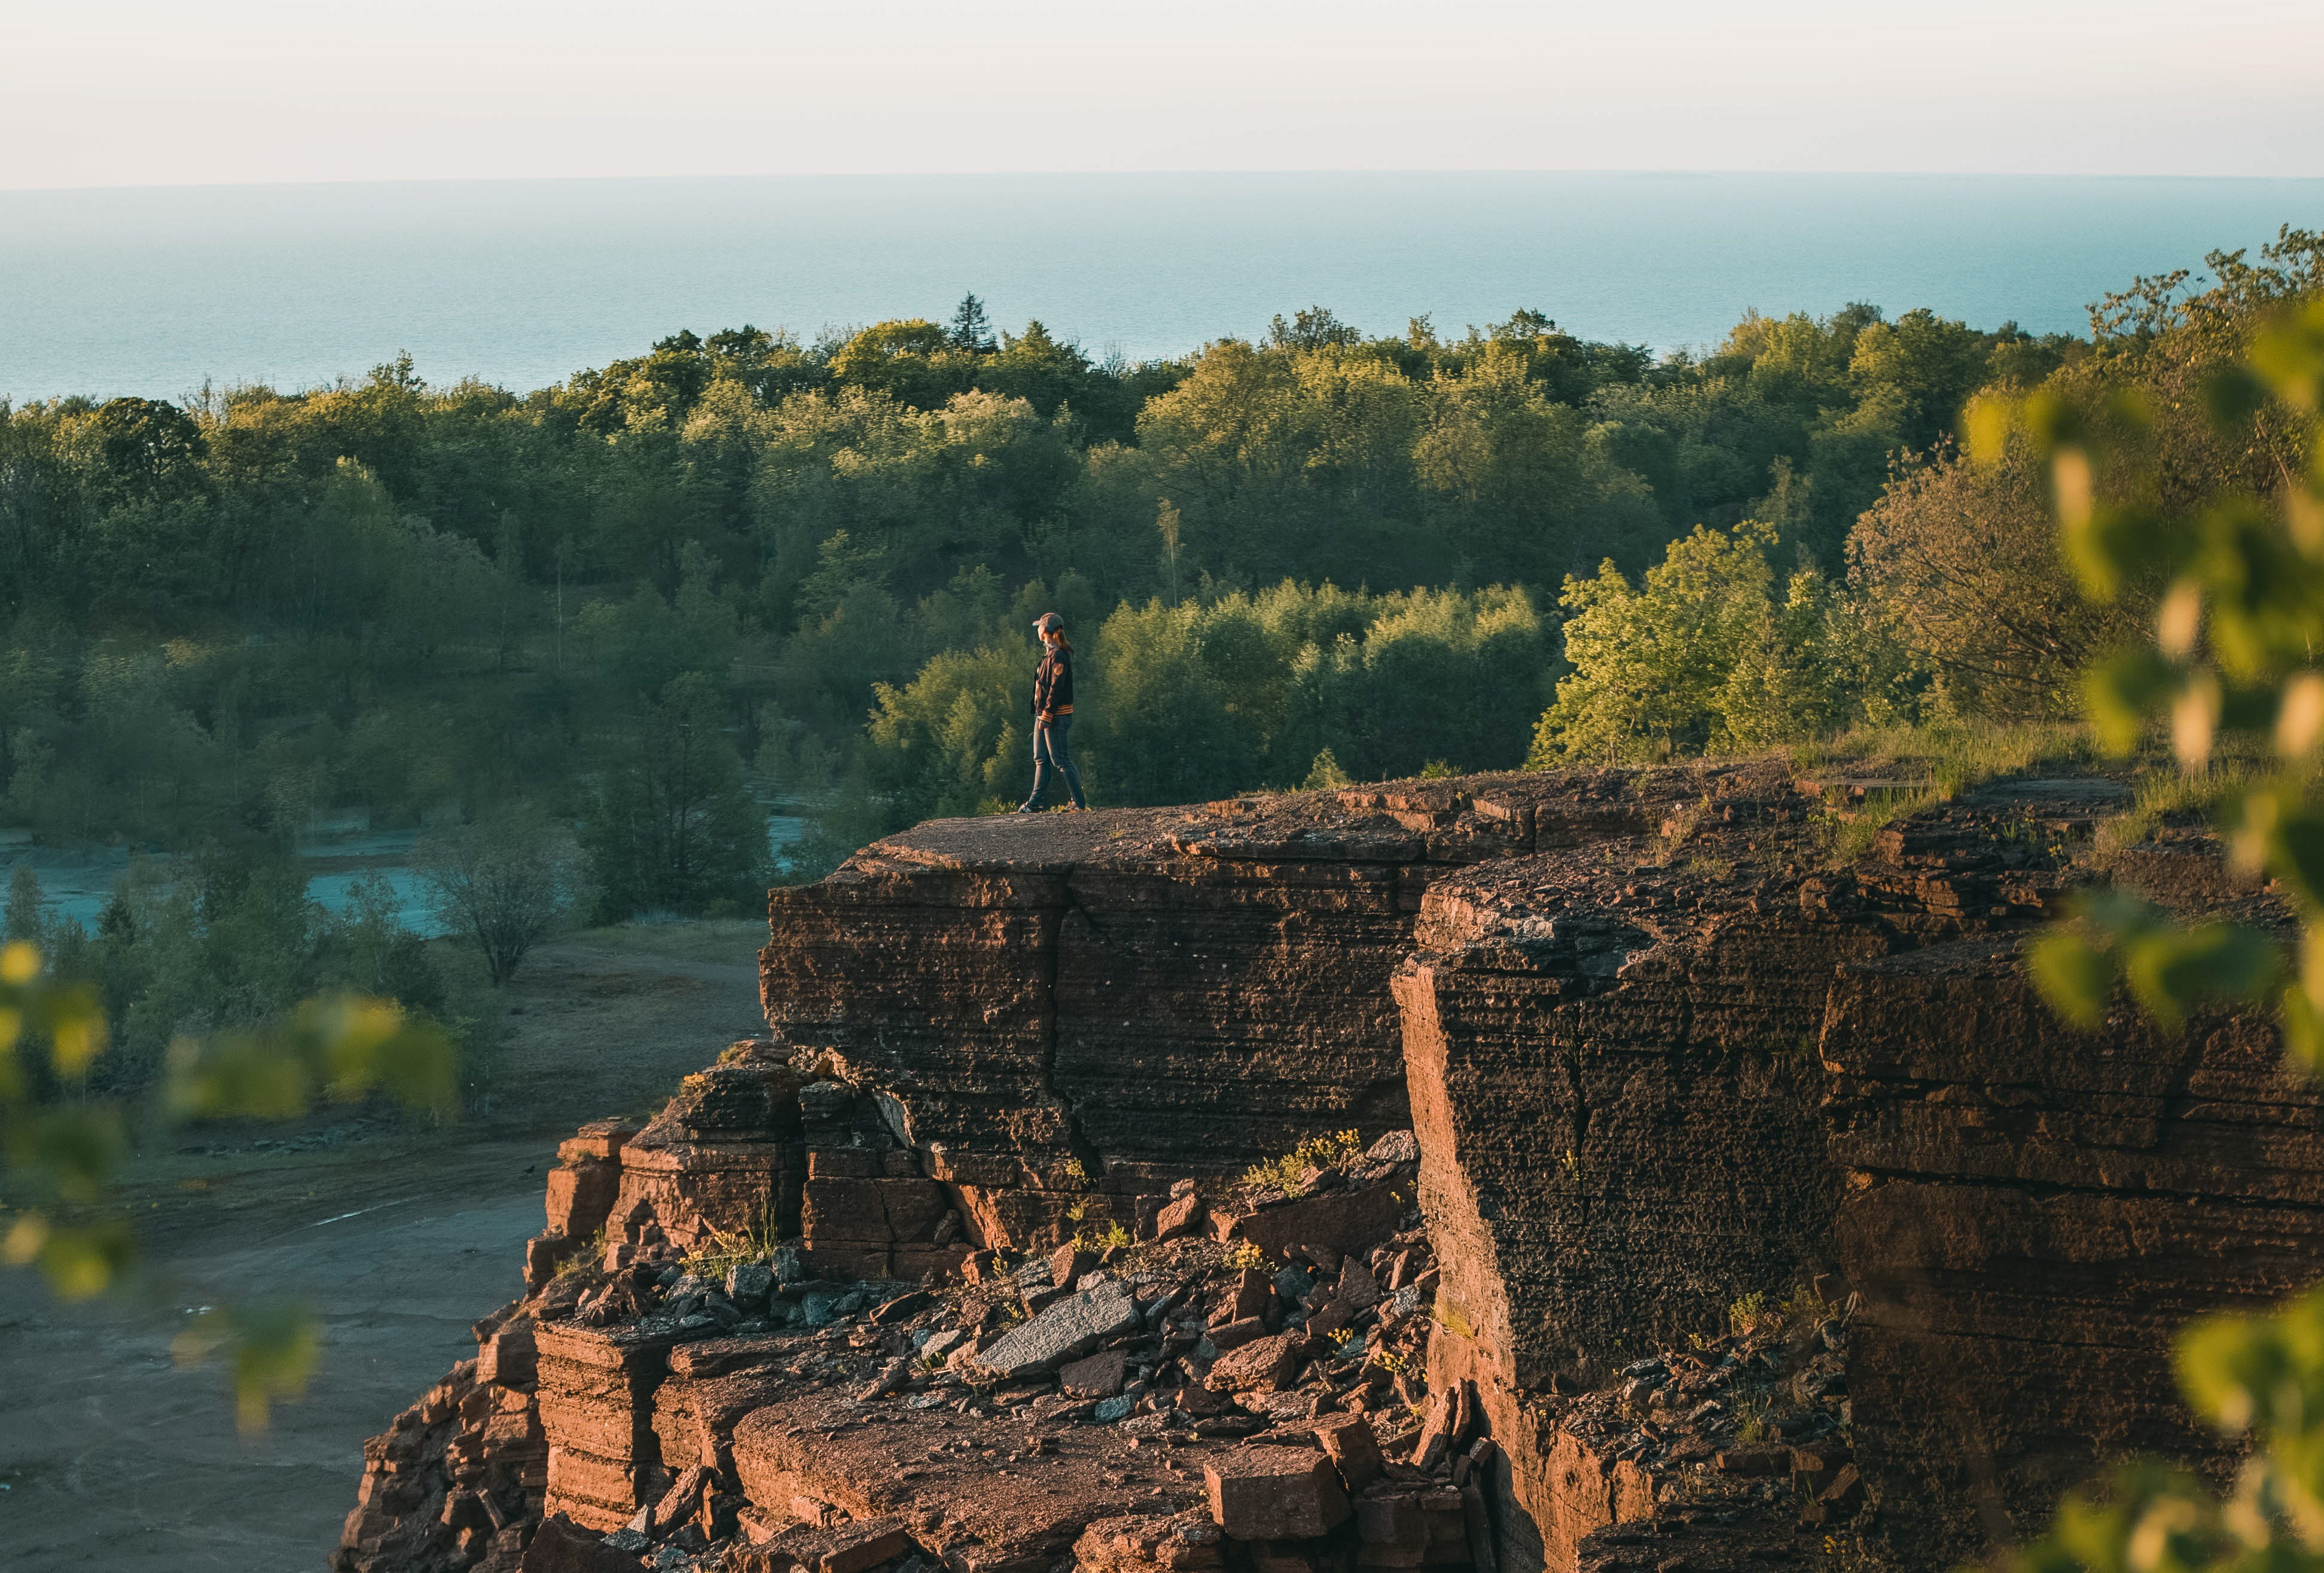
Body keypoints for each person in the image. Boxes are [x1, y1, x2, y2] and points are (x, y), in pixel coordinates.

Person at [1015, 611, 1086, 813]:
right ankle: (1035, 804)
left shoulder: (1059, 656)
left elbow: (1056, 688)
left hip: (1055, 716)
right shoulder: (1050, 654)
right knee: (1041, 759)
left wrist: (1047, 715)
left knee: (1061, 760)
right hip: (1043, 714)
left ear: (1045, 630)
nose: (1037, 630)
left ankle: (1079, 804)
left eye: (1040, 627)